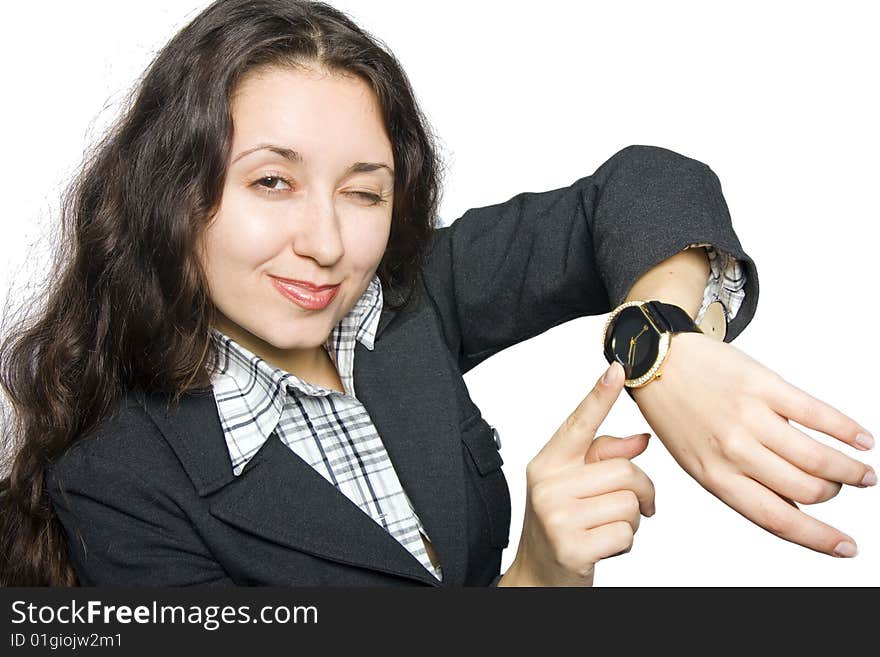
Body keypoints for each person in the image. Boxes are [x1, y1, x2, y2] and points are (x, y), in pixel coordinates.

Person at [0, 0, 873, 587]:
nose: (328, 244)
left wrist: (664, 344)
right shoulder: (116, 481)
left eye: (364, 190)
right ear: (173, 191)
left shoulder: (410, 297)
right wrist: (533, 579)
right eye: (272, 182)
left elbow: (644, 185)